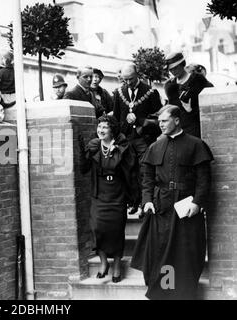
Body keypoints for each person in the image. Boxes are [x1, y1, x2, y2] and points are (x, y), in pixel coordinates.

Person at [130, 105, 213, 300]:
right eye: (159, 122)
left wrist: (198, 203)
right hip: (161, 208)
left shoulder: (196, 145)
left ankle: (183, 294)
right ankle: (162, 294)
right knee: (159, 250)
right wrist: (147, 201)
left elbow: (204, 179)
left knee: (186, 252)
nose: (160, 125)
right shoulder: (155, 147)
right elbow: (147, 179)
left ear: (177, 120)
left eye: (164, 121)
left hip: (186, 207)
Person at [80, 115, 139, 283]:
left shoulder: (123, 146)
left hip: (117, 193)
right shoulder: (94, 146)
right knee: (97, 228)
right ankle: (104, 262)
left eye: (105, 127)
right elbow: (83, 168)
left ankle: (117, 265)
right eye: (99, 127)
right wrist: (83, 153)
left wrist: (134, 197)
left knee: (116, 230)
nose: (101, 130)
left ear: (112, 129)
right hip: (100, 194)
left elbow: (131, 171)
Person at [113, 63, 162, 215]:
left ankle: (144, 202)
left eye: (131, 79)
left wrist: (139, 120)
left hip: (144, 138)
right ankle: (132, 202)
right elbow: (115, 117)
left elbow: (158, 117)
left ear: (138, 75)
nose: (128, 82)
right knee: (128, 171)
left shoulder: (150, 92)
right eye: (125, 79)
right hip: (126, 138)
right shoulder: (118, 92)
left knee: (144, 170)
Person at [164, 52, 213, 138]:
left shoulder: (197, 80)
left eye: (176, 68)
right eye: (171, 69)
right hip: (177, 129)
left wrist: (191, 110)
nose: (173, 71)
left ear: (183, 64)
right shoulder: (169, 86)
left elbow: (210, 100)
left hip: (194, 127)